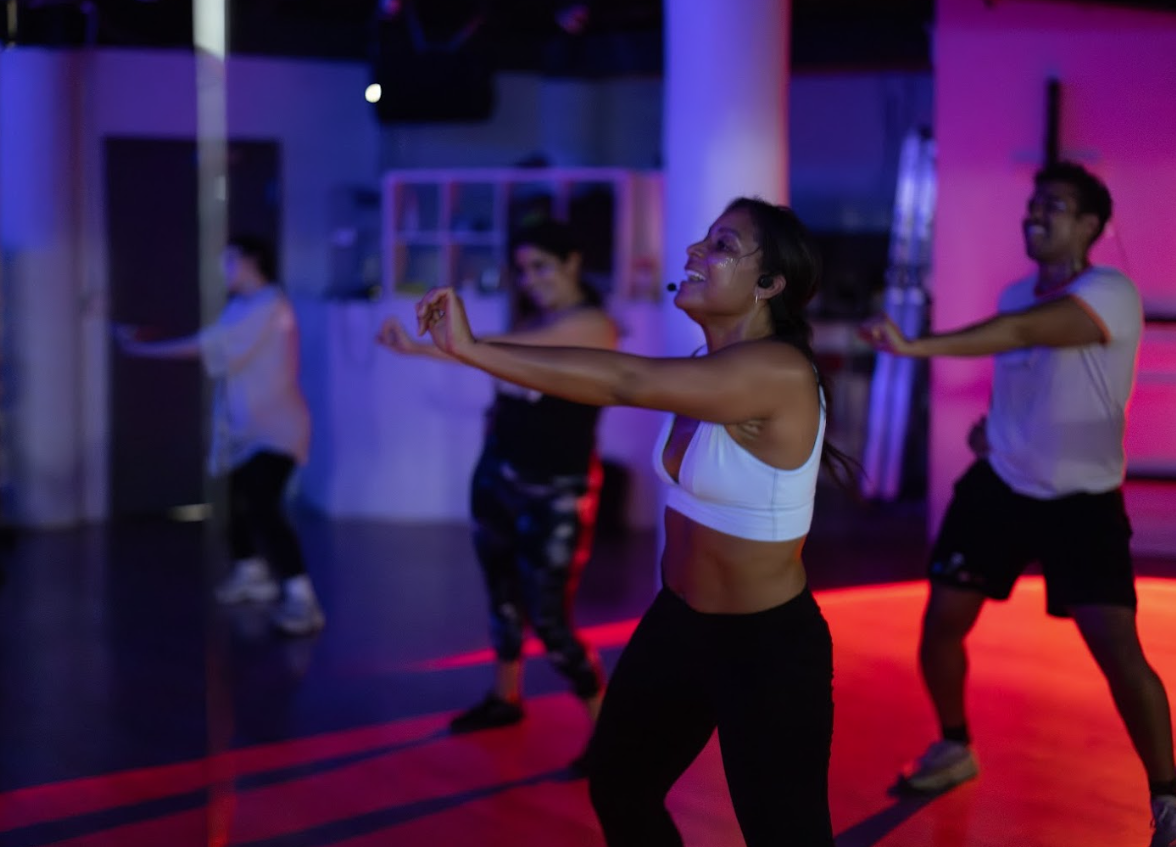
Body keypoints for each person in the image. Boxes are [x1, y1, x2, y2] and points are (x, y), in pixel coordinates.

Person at [393, 198, 856, 846]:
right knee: (619, 784)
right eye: (703, 238)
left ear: (769, 284)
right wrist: (465, 351)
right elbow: (620, 378)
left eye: (722, 245)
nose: (695, 251)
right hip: (679, 622)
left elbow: (625, 380)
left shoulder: (777, 370)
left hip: (765, 645)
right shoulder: (703, 366)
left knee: (785, 834)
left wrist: (473, 349)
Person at [859, 161, 1176, 844]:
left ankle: (1169, 795)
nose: (1036, 214)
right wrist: (995, 428)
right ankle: (954, 745)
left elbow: (1030, 334)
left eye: (1054, 206)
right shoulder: (1014, 293)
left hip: (1081, 503)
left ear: (1091, 225)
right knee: (941, 623)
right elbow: (1028, 371)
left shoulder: (1110, 290)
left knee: (1118, 651)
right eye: (1032, 204)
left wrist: (917, 345)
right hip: (999, 485)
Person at [377, 220, 617, 753]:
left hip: (557, 491)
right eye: (524, 269)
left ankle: (609, 733)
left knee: (551, 620)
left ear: (572, 262)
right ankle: (506, 698)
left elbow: (505, 349)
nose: (531, 279)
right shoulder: (537, 318)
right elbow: (499, 372)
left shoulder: (593, 325)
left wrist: (427, 348)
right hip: (498, 477)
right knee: (502, 602)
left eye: (542, 267)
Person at [116, 235, 323, 637]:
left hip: (275, 426)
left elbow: (207, 348)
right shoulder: (241, 307)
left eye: (228, 261)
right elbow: (213, 346)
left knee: (262, 504)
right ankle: (252, 574)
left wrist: (143, 351)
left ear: (250, 261)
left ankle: (303, 598)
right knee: (232, 501)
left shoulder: (268, 306)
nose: (223, 270)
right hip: (243, 427)